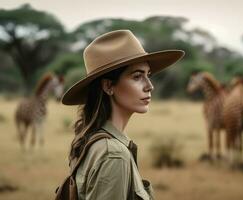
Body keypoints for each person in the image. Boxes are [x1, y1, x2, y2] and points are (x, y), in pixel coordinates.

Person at [61, 30, 184, 200]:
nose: (149, 86)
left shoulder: (96, 141)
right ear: (108, 86)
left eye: (148, 75)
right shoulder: (114, 155)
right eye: (137, 76)